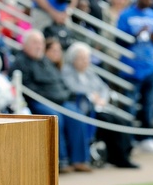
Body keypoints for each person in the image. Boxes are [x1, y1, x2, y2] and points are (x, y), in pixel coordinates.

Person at [11, 30, 92, 173]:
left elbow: (60, 82)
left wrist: (65, 95)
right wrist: (53, 97)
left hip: (60, 101)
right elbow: (28, 89)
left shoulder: (46, 61)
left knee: (77, 115)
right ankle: (60, 161)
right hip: (38, 102)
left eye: (41, 43)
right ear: (26, 44)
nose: (39, 46)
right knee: (55, 118)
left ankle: (79, 160)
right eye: (35, 43)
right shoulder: (20, 62)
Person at [116, 0, 153, 154]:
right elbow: (119, 39)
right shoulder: (126, 15)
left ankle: (146, 138)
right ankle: (128, 138)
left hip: (150, 66)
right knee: (130, 105)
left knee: (149, 105)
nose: (149, 0)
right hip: (131, 67)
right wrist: (135, 35)